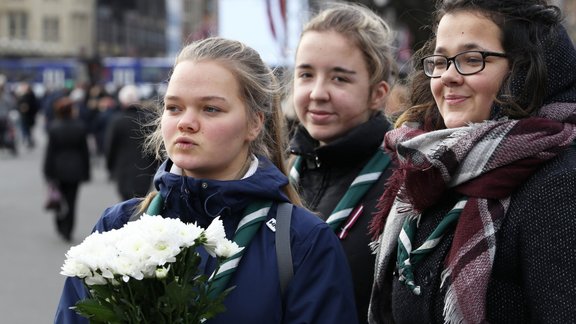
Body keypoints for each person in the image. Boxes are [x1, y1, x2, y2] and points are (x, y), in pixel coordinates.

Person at [54, 37, 358, 324]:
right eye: (174, 107)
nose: (185, 122)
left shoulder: (302, 242)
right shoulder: (117, 226)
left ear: (254, 123)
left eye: (210, 109)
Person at [367, 0, 576, 323]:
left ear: (523, 70)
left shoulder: (558, 184)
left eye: (471, 59)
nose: (448, 76)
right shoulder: (429, 172)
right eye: (440, 61)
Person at [288, 3, 396, 322]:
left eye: (339, 79)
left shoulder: (405, 184)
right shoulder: (280, 174)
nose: (318, 93)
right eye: (306, 74)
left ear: (377, 94)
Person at [43, 96, 91, 242]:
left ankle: (59, 223)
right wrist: (87, 171)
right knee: (72, 201)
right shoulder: (80, 127)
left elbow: (50, 152)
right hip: (75, 169)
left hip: (58, 169)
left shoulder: (54, 127)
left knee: (58, 199)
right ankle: (68, 229)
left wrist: (47, 171)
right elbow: (85, 152)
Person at [104, 84, 158, 200]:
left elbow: (110, 146)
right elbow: (154, 147)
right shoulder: (148, 120)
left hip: (123, 169)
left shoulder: (117, 121)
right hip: (144, 170)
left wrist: (110, 166)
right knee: (141, 204)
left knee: (125, 203)